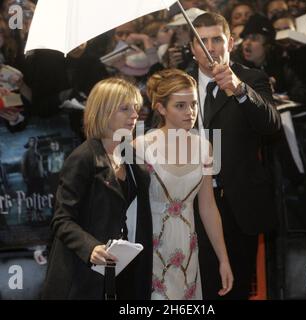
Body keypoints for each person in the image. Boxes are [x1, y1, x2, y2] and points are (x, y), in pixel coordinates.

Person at [189, 12, 281, 299]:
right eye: (202, 41)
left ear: (230, 42)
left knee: (237, 289)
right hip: (192, 201)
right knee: (200, 285)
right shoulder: (180, 85)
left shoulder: (252, 78)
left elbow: (271, 127)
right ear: (192, 48)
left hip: (240, 204)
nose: (210, 47)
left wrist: (239, 89)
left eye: (217, 39)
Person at [42, 78, 153, 300]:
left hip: (119, 272)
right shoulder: (83, 157)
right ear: (103, 111)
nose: (134, 115)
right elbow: (62, 219)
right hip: (81, 275)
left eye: (135, 108)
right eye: (125, 109)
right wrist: (90, 247)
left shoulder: (130, 159)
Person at [135, 69, 233, 300]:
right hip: (151, 251)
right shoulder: (141, 147)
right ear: (160, 108)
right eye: (180, 105)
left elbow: (208, 207)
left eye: (194, 104)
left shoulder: (205, 147)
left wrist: (224, 260)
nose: (190, 112)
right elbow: (130, 210)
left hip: (189, 253)